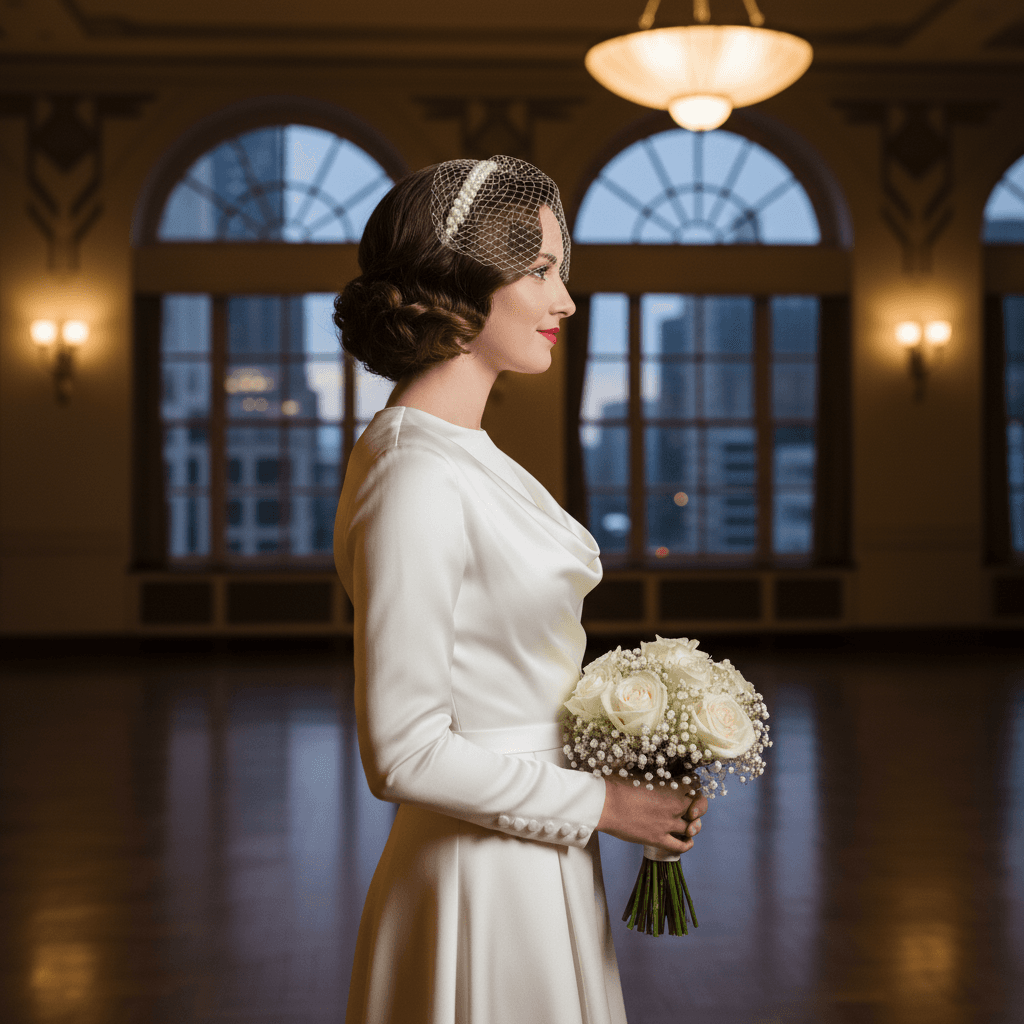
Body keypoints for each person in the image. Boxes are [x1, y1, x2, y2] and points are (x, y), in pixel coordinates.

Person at [333, 156, 708, 1024]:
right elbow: (403, 750)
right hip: (479, 874)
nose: (565, 300)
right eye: (540, 269)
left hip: (537, 848)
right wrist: (608, 804)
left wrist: (629, 734)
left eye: (560, 272)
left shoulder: (464, 451)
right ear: (461, 282)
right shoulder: (413, 470)